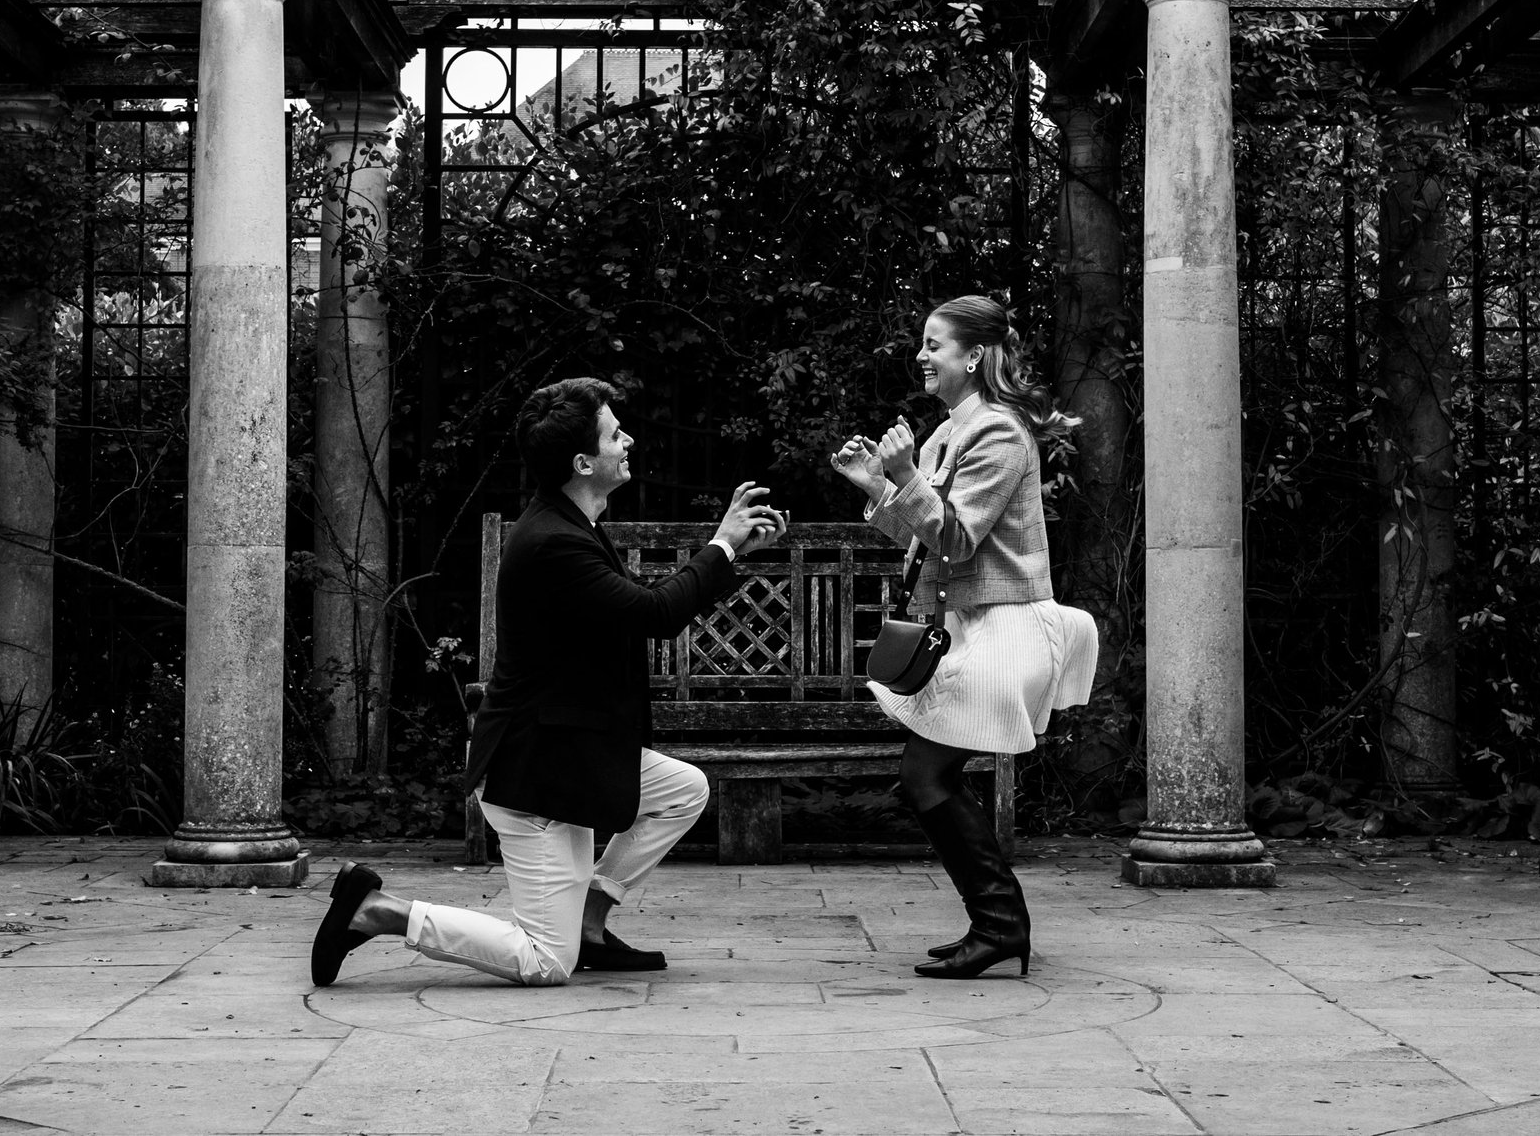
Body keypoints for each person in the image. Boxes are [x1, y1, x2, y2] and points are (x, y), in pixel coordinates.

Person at [311, 376, 787, 987]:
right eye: (616, 434)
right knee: (544, 962)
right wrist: (721, 544)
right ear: (584, 461)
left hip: (575, 753)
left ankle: (589, 922)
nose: (629, 441)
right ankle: (378, 911)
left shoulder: (570, 525)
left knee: (682, 789)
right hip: (533, 775)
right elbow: (654, 615)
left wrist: (729, 553)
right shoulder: (551, 543)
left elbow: (635, 612)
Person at [831, 294, 1098, 980]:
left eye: (934, 343)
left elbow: (956, 534)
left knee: (925, 773)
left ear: (972, 355)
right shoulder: (945, 432)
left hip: (1004, 627)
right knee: (930, 773)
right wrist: (881, 487)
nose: (922, 354)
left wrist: (906, 477)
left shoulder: (1001, 433)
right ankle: (997, 923)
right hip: (964, 626)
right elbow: (931, 543)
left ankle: (1002, 923)